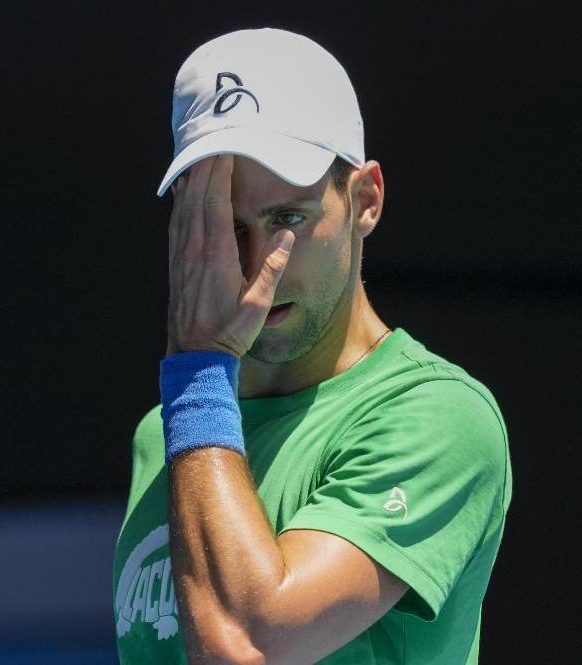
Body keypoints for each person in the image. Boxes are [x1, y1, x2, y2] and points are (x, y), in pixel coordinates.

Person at [113, 28, 512, 664]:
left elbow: (248, 644)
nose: (255, 265)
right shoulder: (167, 431)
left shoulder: (438, 418)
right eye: (228, 226)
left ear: (366, 199)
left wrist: (197, 373)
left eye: (287, 219)